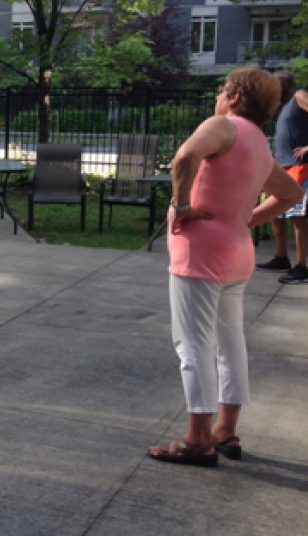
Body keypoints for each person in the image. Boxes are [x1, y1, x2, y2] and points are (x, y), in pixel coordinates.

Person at [149, 68, 302, 467]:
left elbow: (185, 156)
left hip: (200, 253)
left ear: (234, 97)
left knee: (193, 343)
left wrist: (181, 205)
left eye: (222, 90)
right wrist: (244, 220)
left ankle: (197, 439)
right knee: (229, 342)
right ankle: (225, 430)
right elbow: (290, 192)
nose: (218, 97)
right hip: (236, 254)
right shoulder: (259, 144)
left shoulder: (223, 126)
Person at [255, 71, 308, 284]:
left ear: (286, 84)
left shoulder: (299, 96)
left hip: (300, 166)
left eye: (275, 83)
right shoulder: (284, 106)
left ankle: (301, 267)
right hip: (283, 166)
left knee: (297, 217)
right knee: (275, 214)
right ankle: (281, 258)